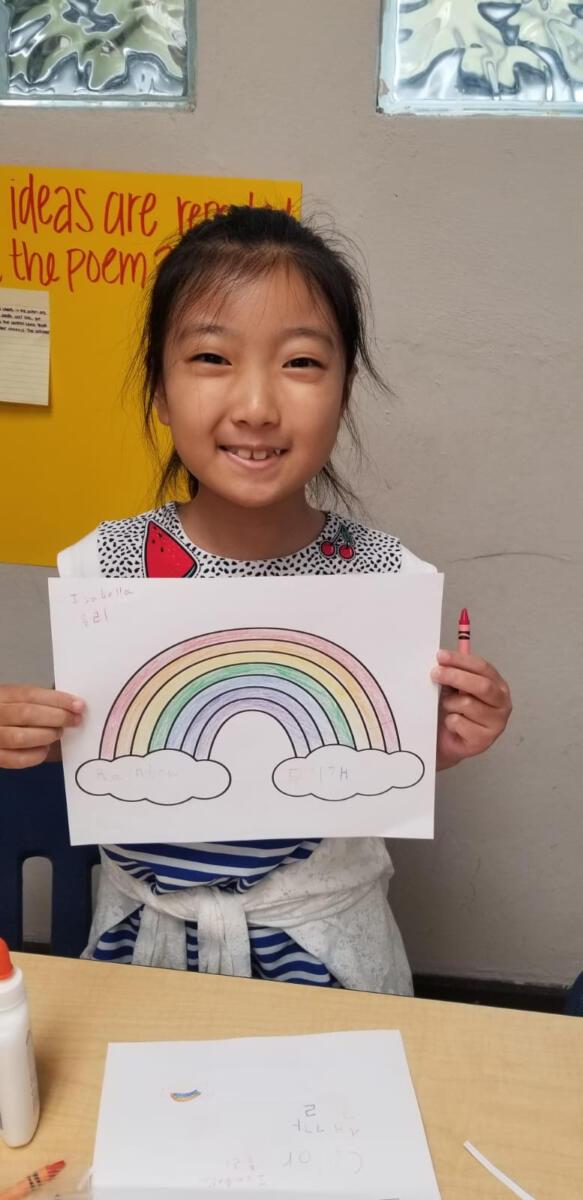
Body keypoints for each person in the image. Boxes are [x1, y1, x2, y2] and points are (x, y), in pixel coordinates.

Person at [0, 206, 511, 993]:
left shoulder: (384, 577)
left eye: (301, 362)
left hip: (329, 952)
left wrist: (444, 740)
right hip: (145, 953)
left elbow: (373, 759)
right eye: (211, 357)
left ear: (344, 389)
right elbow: (109, 735)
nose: (256, 406)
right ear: (160, 388)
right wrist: (30, 729)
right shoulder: (104, 564)